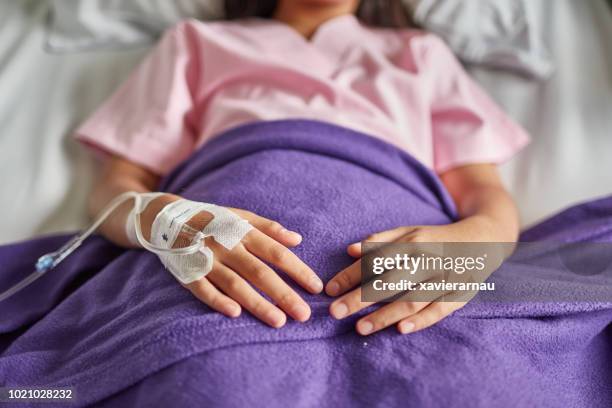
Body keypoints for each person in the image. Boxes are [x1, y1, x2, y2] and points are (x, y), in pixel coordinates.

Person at [77, 0, 529, 335]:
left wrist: (475, 248)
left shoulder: (420, 53)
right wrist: (167, 221)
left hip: (403, 279)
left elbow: (485, 195)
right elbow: (115, 190)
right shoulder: (197, 43)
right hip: (216, 269)